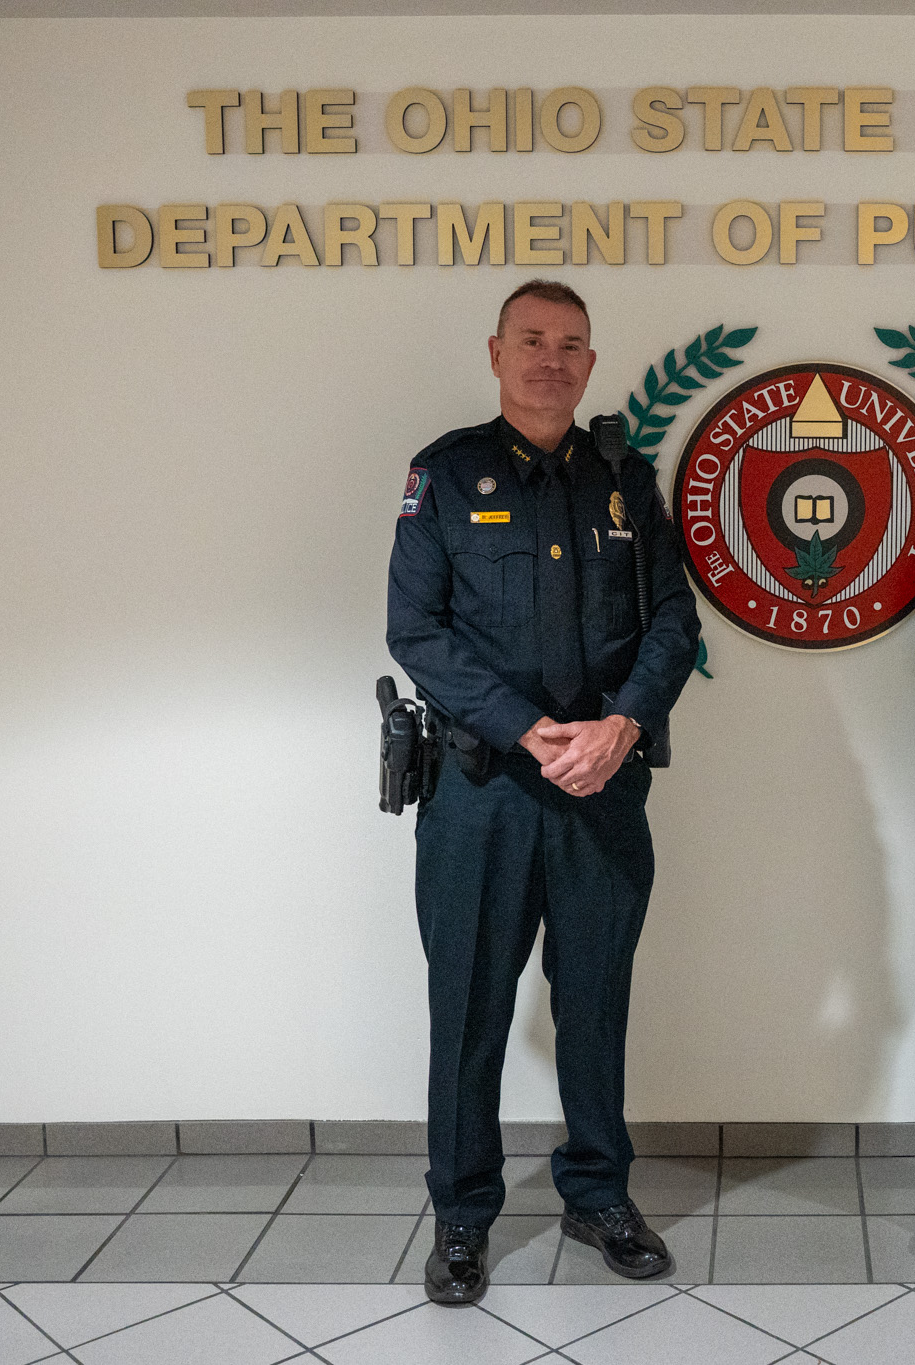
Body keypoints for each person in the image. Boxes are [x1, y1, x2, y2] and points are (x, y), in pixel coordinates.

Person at [386, 279, 700, 1305]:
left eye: (570, 344)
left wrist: (620, 725)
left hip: (601, 790)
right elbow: (416, 631)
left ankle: (597, 1192)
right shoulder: (445, 474)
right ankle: (464, 1216)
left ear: (590, 363)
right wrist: (526, 729)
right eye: (531, 340)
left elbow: (672, 626)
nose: (550, 360)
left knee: (595, 1006)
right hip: (481, 796)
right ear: (494, 353)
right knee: (469, 1011)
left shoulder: (625, 481)